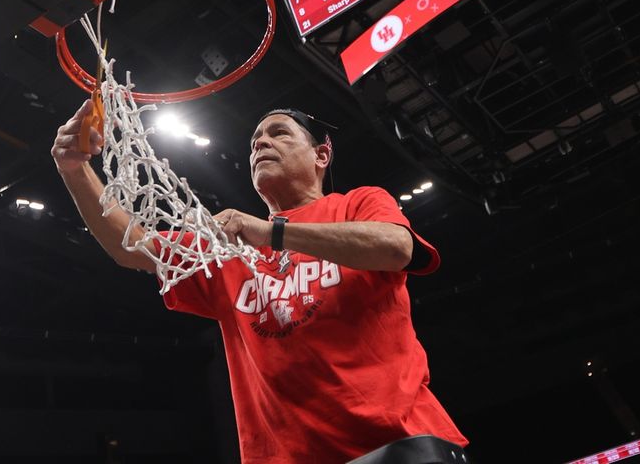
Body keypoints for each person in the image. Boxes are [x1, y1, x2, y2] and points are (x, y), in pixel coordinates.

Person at [51, 101, 468, 464]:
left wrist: (272, 232)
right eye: (254, 141)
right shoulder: (228, 248)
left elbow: (397, 247)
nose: (260, 144)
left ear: (322, 155)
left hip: (399, 445)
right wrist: (74, 169)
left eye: (279, 133)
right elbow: (131, 246)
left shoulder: (356, 203)